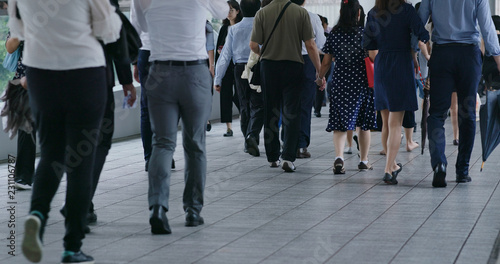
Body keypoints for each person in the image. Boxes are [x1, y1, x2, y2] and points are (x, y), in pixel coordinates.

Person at [9, 0, 122, 263]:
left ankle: (37, 214)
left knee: (51, 153)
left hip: (41, 73)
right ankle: (72, 246)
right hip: (84, 71)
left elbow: (18, 29)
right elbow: (110, 29)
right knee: (81, 161)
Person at [132, 0, 228, 234]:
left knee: (162, 143)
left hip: (159, 71)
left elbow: (138, 28)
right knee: (195, 144)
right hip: (194, 72)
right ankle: (193, 211)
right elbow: (224, 11)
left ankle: (158, 208)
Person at [419, 0, 500, 187]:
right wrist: (497, 59)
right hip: (468, 57)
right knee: (468, 114)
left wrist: (414, 48)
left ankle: (439, 163)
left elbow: (419, 21)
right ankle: (462, 171)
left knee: (437, 113)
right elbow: (487, 28)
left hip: (442, 55)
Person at [250, 0, 324, 172]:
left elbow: (253, 45)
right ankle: (288, 158)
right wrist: (320, 73)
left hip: (268, 67)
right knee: (292, 112)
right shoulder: (300, 12)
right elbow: (311, 45)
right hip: (293, 66)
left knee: (271, 109)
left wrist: (266, 55)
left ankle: (272, 157)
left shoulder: (262, 13)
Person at [364, 0, 429, 185]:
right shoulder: (406, 10)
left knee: (386, 121)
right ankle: (388, 168)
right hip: (401, 63)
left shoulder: (373, 12)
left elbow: (368, 45)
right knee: (395, 124)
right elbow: (422, 33)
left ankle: (391, 166)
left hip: (382, 65)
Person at [317, 0, 376, 174]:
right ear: (358, 14)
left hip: (340, 83)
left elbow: (326, 62)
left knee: (340, 124)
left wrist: (320, 78)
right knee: (363, 125)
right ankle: (364, 161)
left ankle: (339, 158)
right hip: (362, 84)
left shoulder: (334, 33)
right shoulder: (366, 33)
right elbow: (373, 57)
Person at [214, 0, 264, 156]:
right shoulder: (262, 26)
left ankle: (247, 140)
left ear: (240, 9)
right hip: (258, 67)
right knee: (258, 104)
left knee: (244, 106)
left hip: (239, 69)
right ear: (259, 8)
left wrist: (218, 79)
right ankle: (252, 136)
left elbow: (225, 56)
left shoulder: (234, 29)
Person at [131, 3, 175, 172]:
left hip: (146, 51)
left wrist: (135, 61)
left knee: (147, 107)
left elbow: (134, 27)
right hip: (169, 51)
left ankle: (150, 158)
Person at [292, 0, 326, 159]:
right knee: (305, 106)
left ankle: (287, 143)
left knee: (287, 104)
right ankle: (301, 145)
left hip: (286, 61)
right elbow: (319, 44)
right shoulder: (312, 17)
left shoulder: (282, 15)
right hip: (307, 62)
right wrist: (320, 73)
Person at [5, 31, 35, 190]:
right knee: (26, 126)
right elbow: (9, 47)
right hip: (25, 79)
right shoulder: (21, 16)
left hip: (54, 78)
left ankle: (50, 173)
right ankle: (24, 176)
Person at [215, 0, 242, 137]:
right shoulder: (223, 29)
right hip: (225, 66)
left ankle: (245, 114)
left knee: (239, 94)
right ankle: (228, 127)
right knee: (225, 95)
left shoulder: (241, 27)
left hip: (238, 65)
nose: (229, 13)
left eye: (231, 10)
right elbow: (218, 48)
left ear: (238, 11)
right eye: (227, 11)